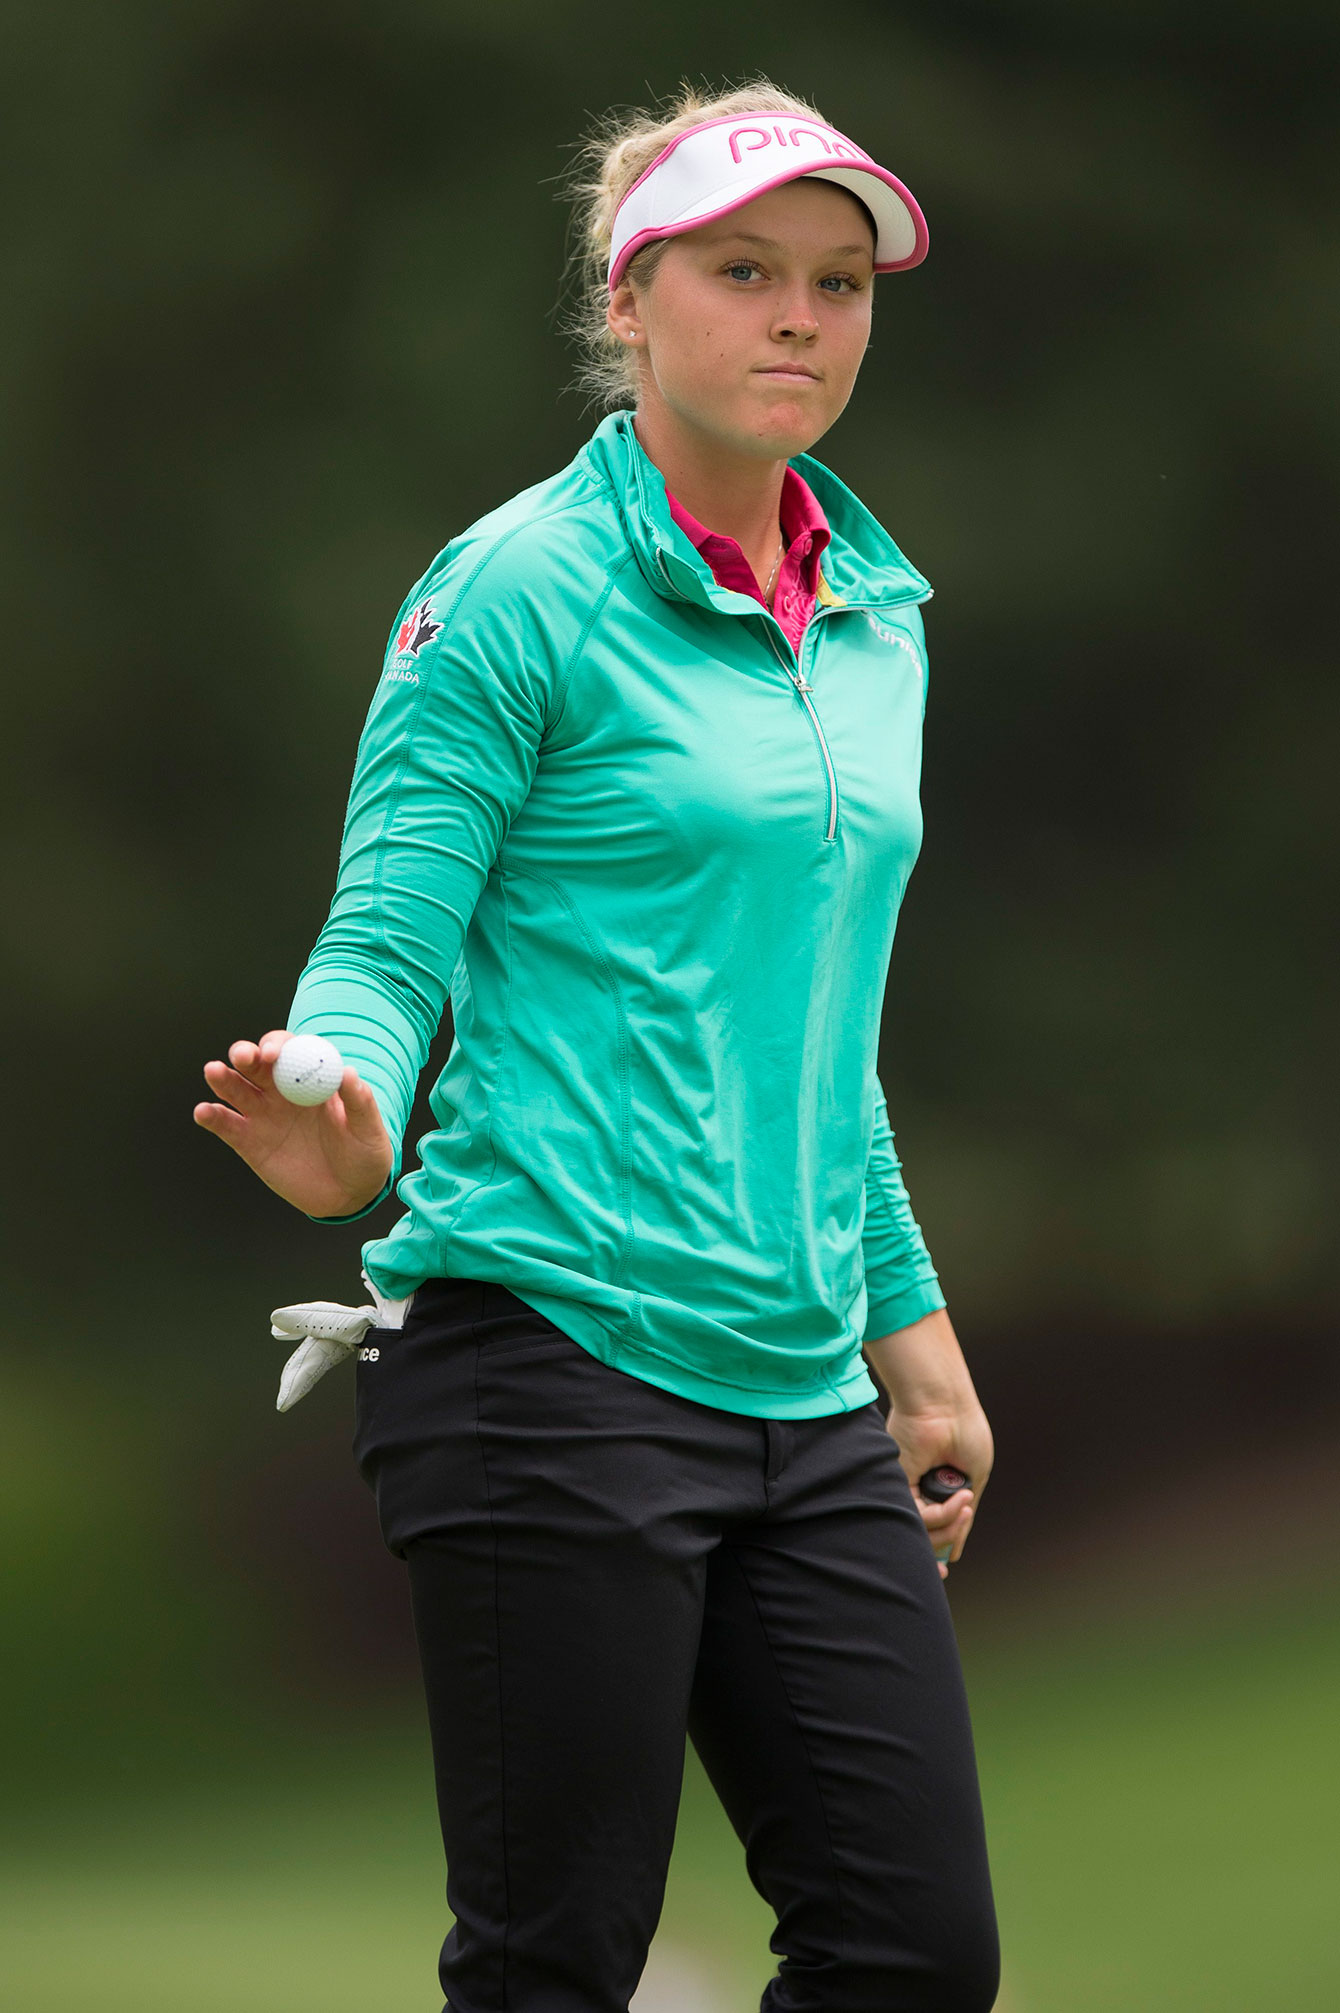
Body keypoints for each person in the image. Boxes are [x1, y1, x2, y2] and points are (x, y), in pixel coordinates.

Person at [195, 79, 999, 2013]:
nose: (803, 316)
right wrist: (345, 1099)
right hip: (545, 1356)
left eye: (838, 279)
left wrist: (921, 1347)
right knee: (557, 1961)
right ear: (629, 299)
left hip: (802, 1388)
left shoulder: (875, 619)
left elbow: (817, 1037)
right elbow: (387, 937)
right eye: (745, 272)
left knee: (916, 1953)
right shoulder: (512, 590)